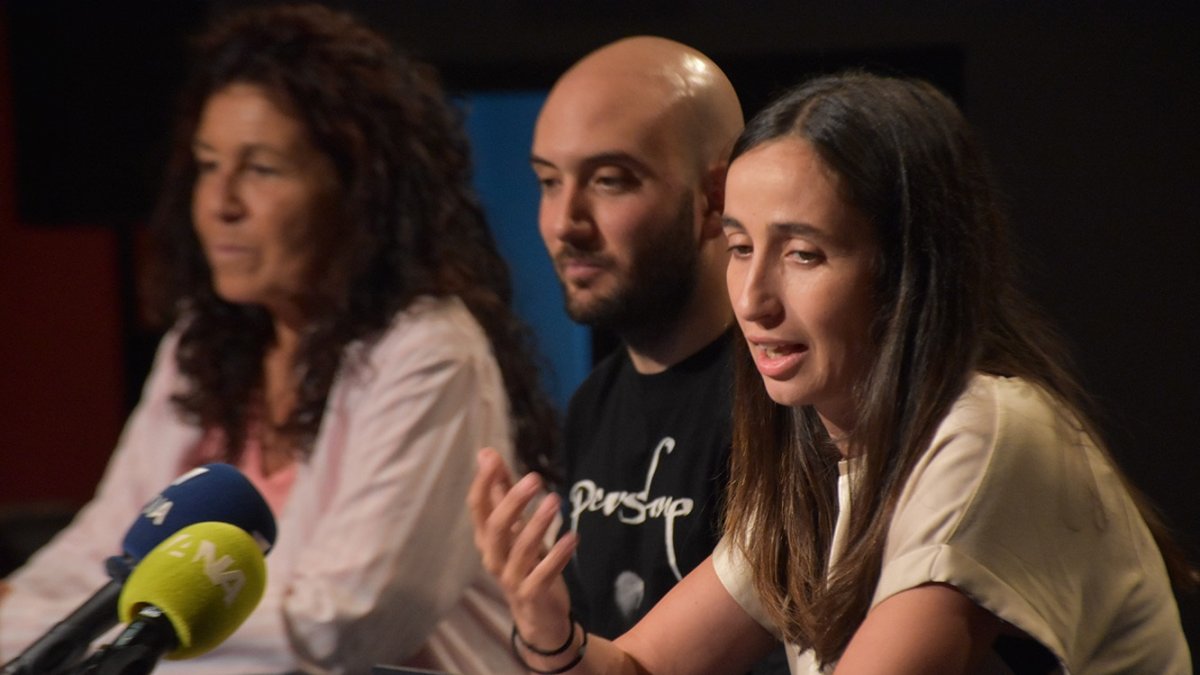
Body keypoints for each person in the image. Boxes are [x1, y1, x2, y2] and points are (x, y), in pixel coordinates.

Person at [470, 71, 1194, 673]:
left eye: (803, 253)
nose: (753, 299)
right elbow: (637, 668)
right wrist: (547, 628)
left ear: (908, 270)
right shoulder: (813, 454)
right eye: (741, 247)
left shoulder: (984, 430)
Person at [0, 4, 557, 674]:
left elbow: (346, 621)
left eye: (261, 169)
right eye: (208, 165)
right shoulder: (202, 344)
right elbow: (104, 555)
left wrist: (130, 621)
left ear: (358, 191)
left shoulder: (429, 352)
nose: (221, 202)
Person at [521, 36, 783, 672]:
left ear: (715, 199)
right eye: (549, 182)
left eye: (610, 181)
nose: (564, 222)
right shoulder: (591, 404)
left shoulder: (783, 399)